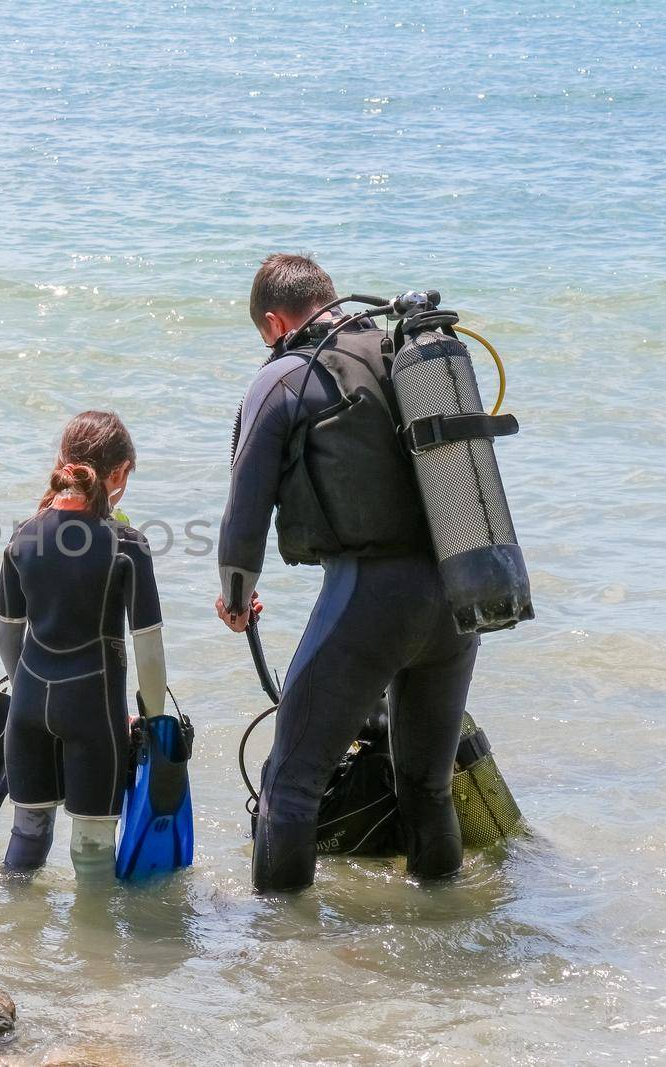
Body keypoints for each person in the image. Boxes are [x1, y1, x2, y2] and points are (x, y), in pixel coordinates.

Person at [217, 253, 478, 893]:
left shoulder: (284, 377)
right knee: (424, 782)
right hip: (459, 591)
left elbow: (243, 515)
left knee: (291, 784)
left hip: (370, 599)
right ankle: (446, 927)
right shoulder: (405, 354)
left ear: (274, 321)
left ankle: (284, 956)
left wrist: (235, 596)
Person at [0, 411, 168, 878]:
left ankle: (8, 944)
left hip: (27, 710)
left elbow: (7, 637)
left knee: (27, 835)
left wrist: (31, 691)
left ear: (62, 462)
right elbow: (148, 648)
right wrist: (154, 723)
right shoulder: (127, 545)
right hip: (94, 713)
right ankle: (96, 950)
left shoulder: (21, 537)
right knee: (91, 850)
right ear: (117, 475)